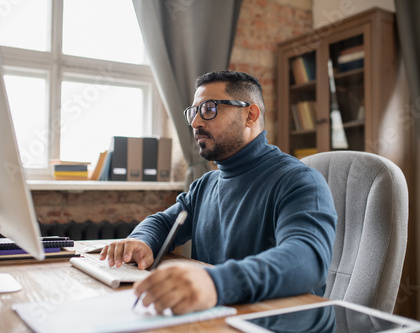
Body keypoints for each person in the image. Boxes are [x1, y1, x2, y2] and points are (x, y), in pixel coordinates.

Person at [100, 70, 337, 315]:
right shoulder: (206, 185)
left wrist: (215, 282)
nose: (195, 122)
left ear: (250, 115)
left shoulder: (299, 181)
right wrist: (142, 240)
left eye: (209, 109)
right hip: (216, 316)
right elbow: (162, 223)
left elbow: (307, 259)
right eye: (194, 112)